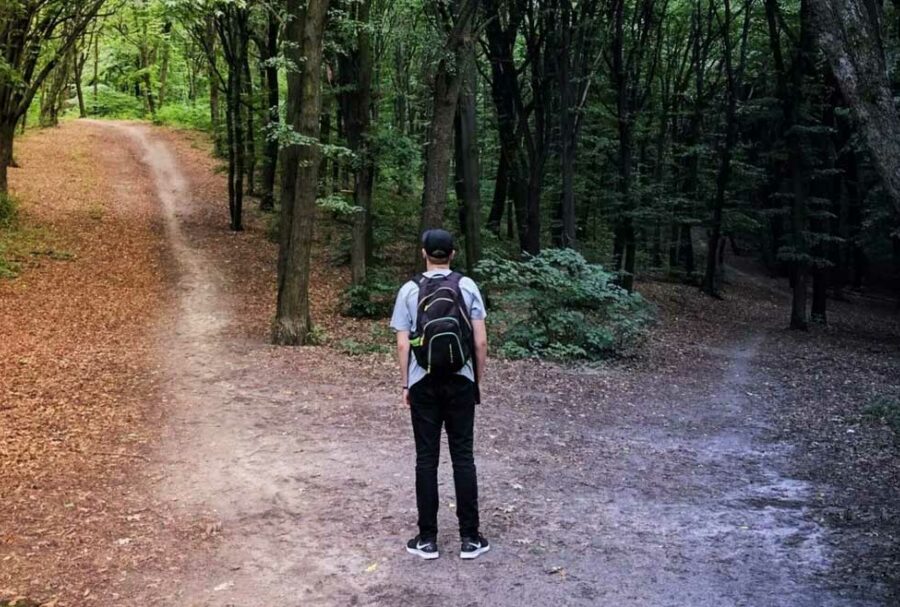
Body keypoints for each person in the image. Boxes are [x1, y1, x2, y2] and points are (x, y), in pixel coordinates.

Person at [390, 229, 490, 560]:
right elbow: (480, 342)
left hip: (423, 383)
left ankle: (427, 540)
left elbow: (403, 343)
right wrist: (476, 380)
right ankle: (471, 539)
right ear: (452, 253)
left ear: (424, 253)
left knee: (426, 459)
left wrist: (406, 384)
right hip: (461, 380)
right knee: (463, 456)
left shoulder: (409, 290)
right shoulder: (467, 286)